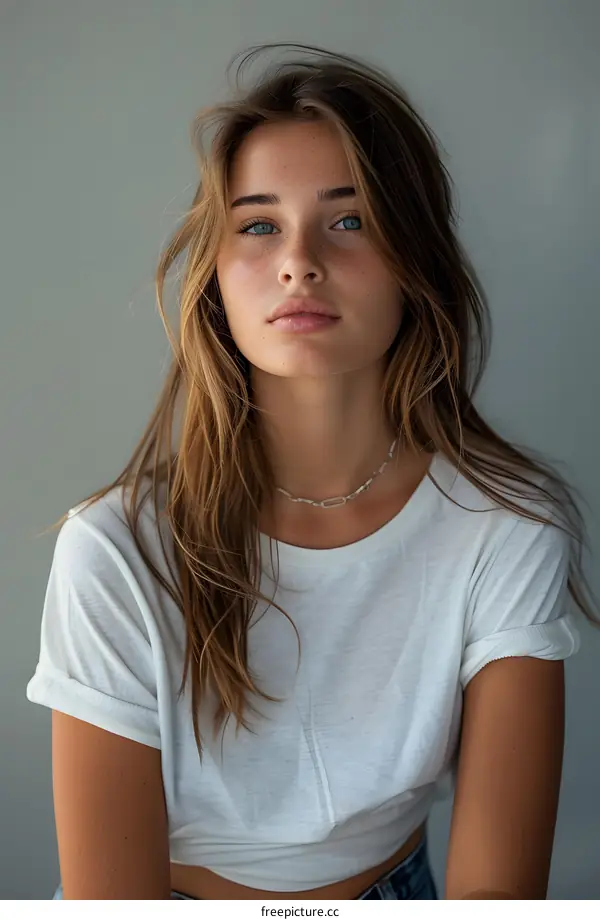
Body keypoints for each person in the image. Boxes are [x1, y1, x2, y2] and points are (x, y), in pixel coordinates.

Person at [27, 43, 596, 901]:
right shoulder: (116, 552)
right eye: (258, 224)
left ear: (417, 259)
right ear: (215, 278)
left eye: (350, 219)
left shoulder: (507, 527)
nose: (299, 260)